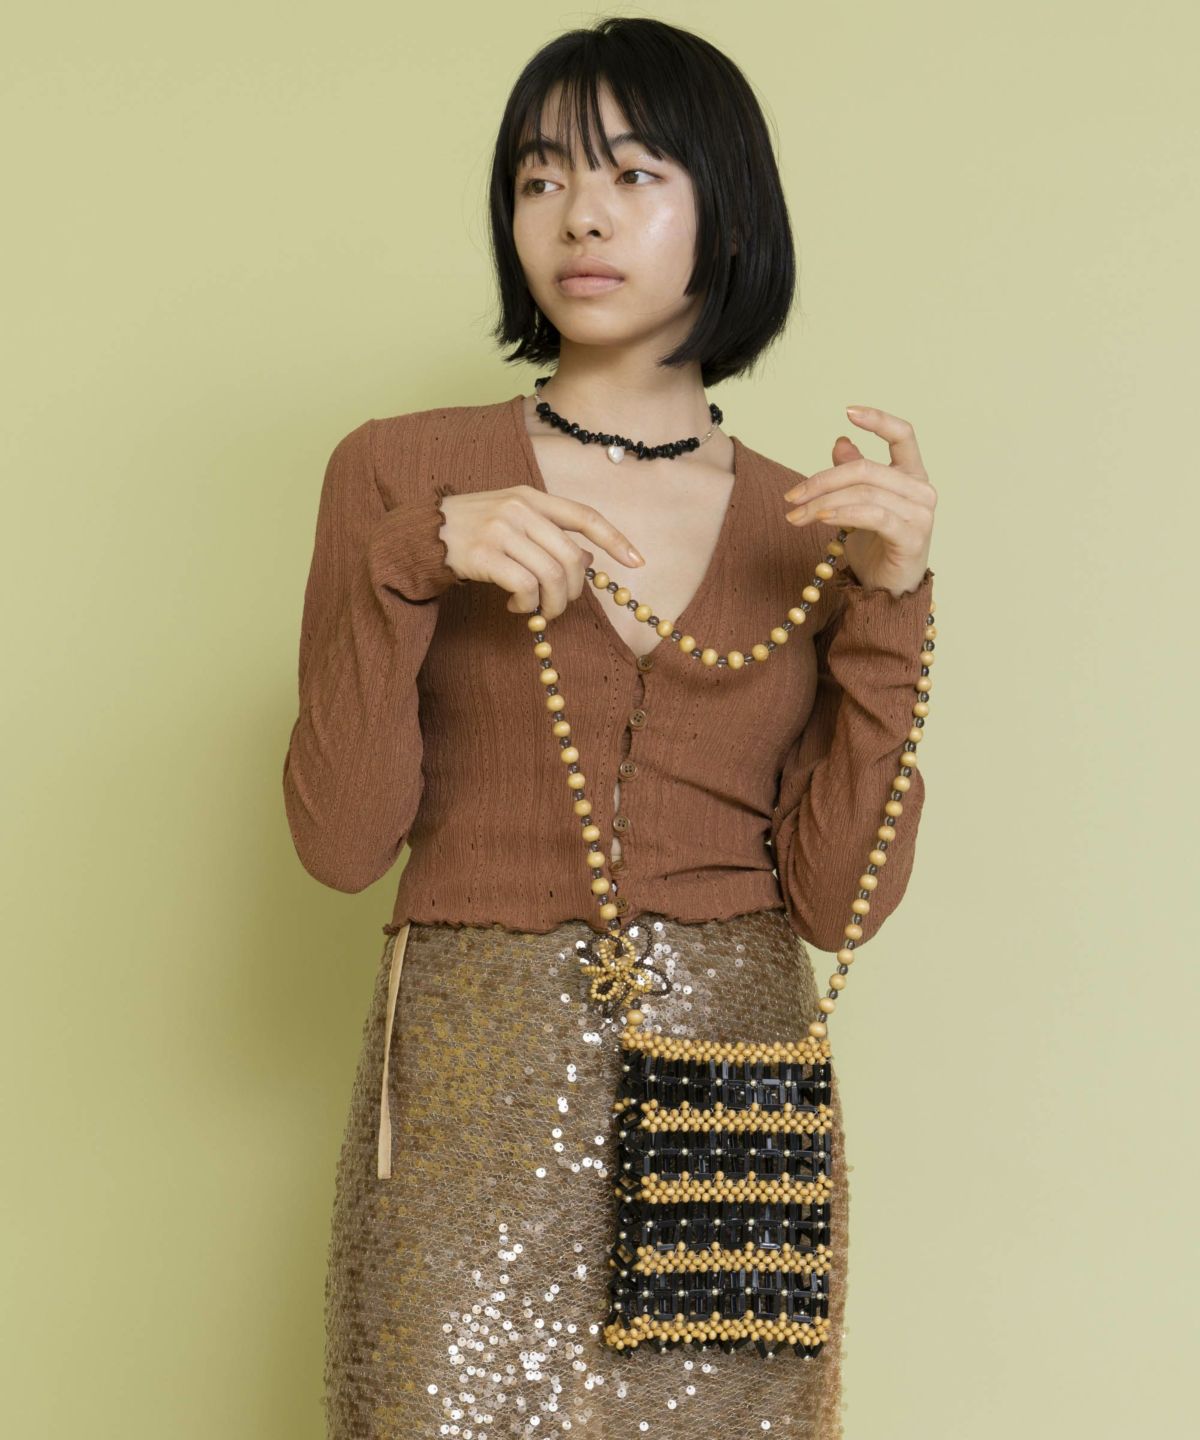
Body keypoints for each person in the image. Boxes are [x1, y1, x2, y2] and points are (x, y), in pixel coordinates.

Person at [283, 16, 936, 1439]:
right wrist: (413, 561)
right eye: (540, 177)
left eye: (635, 173)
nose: (579, 213)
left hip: (736, 1080)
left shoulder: (812, 527)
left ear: (729, 212)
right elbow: (339, 843)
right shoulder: (397, 473)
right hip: (466, 1087)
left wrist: (892, 603)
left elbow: (841, 900)